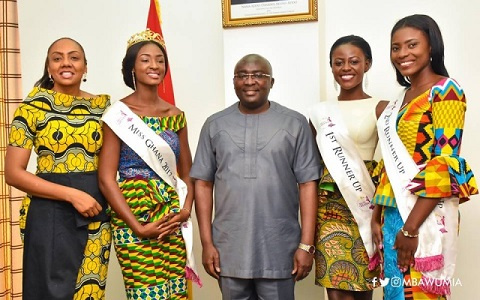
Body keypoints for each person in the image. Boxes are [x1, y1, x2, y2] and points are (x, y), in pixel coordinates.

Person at [191, 53, 321, 300]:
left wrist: (306, 245)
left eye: (258, 75)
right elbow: (203, 184)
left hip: (280, 248)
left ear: (272, 82)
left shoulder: (295, 123)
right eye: (242, 75)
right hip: (229, 249)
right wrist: (207, 243)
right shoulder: (214, 124)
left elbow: (307, 184)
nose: (250, 81)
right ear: (234, 82)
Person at [371, 14, 478, 299]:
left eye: (412, 45)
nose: (403, 54)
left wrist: (410, 229)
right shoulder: (402, 98)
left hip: (424, 214)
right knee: (396, 292)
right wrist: (377, 217)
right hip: (395, 214)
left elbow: (444, 163)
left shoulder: (447, 91)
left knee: (420, 292)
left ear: (431, 46)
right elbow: (389, 164)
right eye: (396, 47)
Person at [5, 38, 111, 300]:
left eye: (74, 57)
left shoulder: (104, 109)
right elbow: (13, 173)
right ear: (49, 66)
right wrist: (72, 195)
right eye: (57, 57)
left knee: (89, 293)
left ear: (85, 67)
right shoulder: (31, 108)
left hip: (95, 217)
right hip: (48, 216)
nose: (66, 63)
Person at [98, 29, 199, 300]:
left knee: (175, 292)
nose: (154, 65)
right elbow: (107, 178)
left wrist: (185, 210)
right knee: (146, 294)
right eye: (145, 59)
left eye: (160, 60)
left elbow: (187, 172)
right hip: (132, 214)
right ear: (132, 66)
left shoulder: (176, 116)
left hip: (170, 214)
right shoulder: (118, 116)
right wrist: (137, 227)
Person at [309, 35, 380, 300]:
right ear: (331, 67)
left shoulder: (382, 107)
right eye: (339, 63)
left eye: (354, 61)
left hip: (366, 208)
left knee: (364, 292)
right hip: (330, 212)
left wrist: (378, 215)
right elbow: (312, 167)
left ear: (367, 64)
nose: (346, 68)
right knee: (336, 291)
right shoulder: (319, 112)